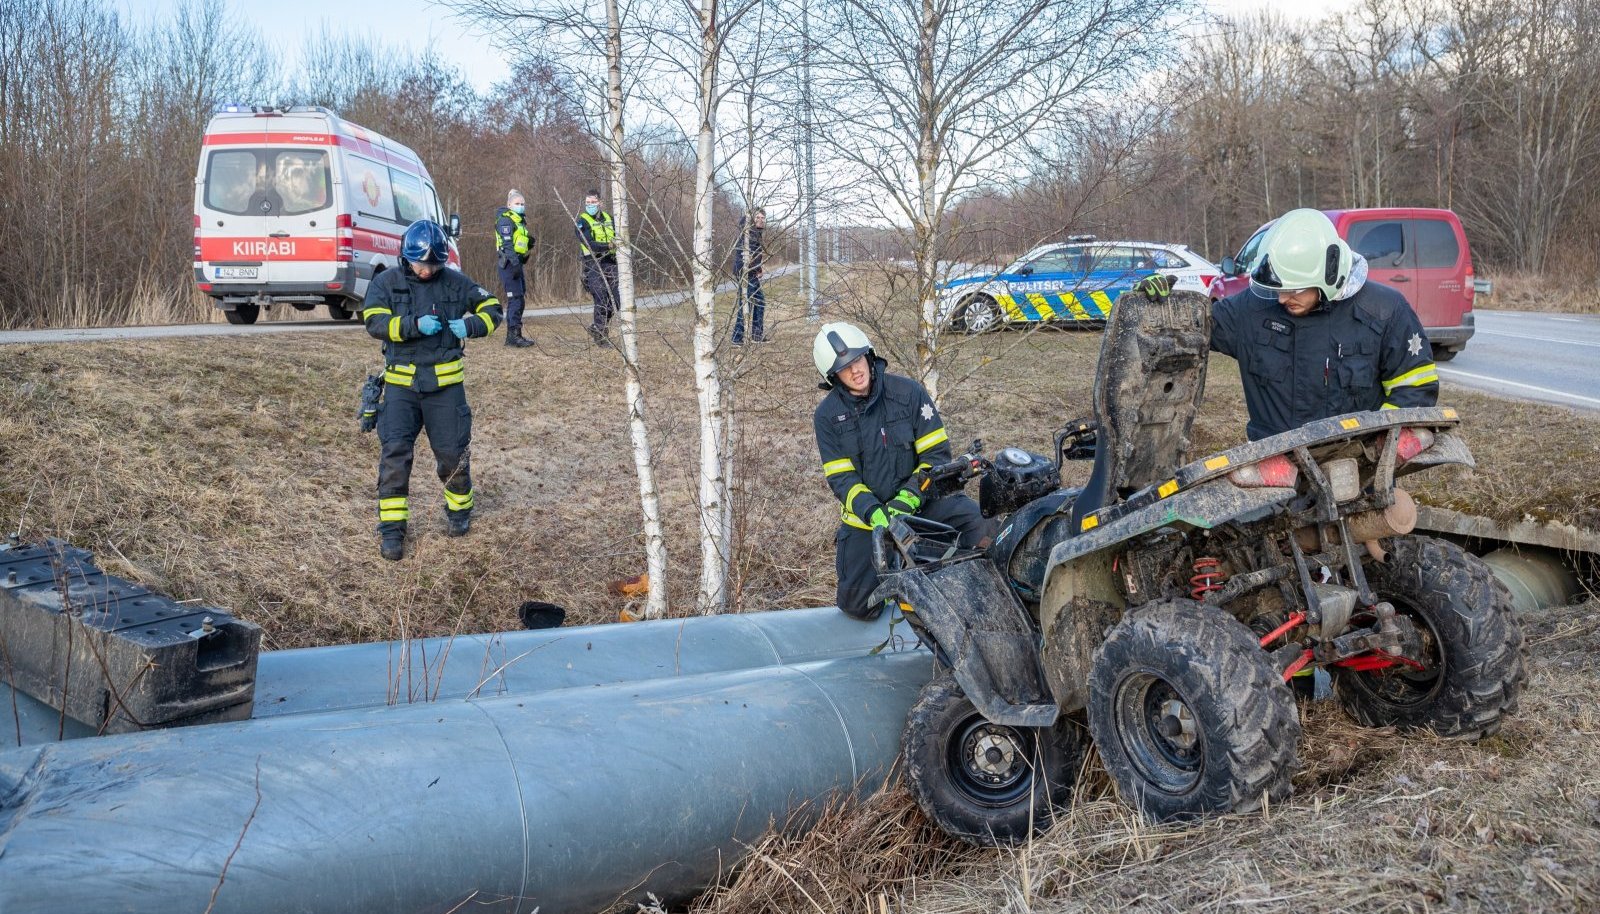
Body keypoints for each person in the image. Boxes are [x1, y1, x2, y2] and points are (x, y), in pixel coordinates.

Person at [1205, 208, 1439, 441]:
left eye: (1293, 290)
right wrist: (1172, 304)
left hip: (1357, 468)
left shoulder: (1384, 311)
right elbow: (1198, 326)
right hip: (1274, 468)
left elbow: (1415, 390)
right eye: (1278, 289)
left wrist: (1379, 447)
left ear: (1327, 275)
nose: (1282, 299)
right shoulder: (1253, 309)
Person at [811, 322, 991, 619]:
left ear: (869, 356)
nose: (855, 371)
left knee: (983, 529)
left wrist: (909, 497)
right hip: (868, 522)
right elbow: (842, 478)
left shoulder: (908, 394)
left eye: (857, 360)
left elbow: (936, 456)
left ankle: (959, 596)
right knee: (859, 608)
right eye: (845, 368)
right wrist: (874, 513)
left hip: (924, 503)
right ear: (833, 378)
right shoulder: (827, 416)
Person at [361, 220, 504, 561]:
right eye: (420, 264)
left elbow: (493, 308)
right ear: (405, 256)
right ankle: (392, 532)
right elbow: (373, 321)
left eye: (433, 265)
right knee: (395, 457)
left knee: (453, 456)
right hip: (400, 387)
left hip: (445, 390)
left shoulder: (456, 282)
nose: (426, 270)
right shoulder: (386, 282)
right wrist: (411, 325)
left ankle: (459, 512)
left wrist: (470, 324)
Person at [575, 189, 618, 347]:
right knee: (601, 298)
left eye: (593, 202)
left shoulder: (609, 219)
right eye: (588, 203)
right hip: (592, 263)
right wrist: (607, 245)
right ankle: (601, 335)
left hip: (610, 262)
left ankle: (596, 327)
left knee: (616, 300)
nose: (590, 205)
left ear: (600, 202)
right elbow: (589, 244)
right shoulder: (582, 222)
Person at [495, 189, 536, 348]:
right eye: (517, 204)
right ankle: (512, 337)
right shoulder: (505, 220)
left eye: (522, 204)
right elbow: (507, 245)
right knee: (515, 300)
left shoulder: (519, 221)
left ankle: (516, 334)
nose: (520, 206)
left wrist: (528, 242)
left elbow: (519, 243)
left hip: (517, 263)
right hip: (509, 264)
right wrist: (514, 264)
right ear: (509, 205)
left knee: (520, 299)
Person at [731, 207, 766, 344]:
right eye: (757, 217)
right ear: (751, 219)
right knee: (746, 304)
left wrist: (759, 268)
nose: (761, 220)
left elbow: (755, 255)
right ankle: (737, 339)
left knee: (759, 302)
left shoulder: (756, 233)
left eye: (763, 218)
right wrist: (754, 269)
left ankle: (756, 336)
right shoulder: (748, 231)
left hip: (751, 272)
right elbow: (747, 255)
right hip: (745, 273)